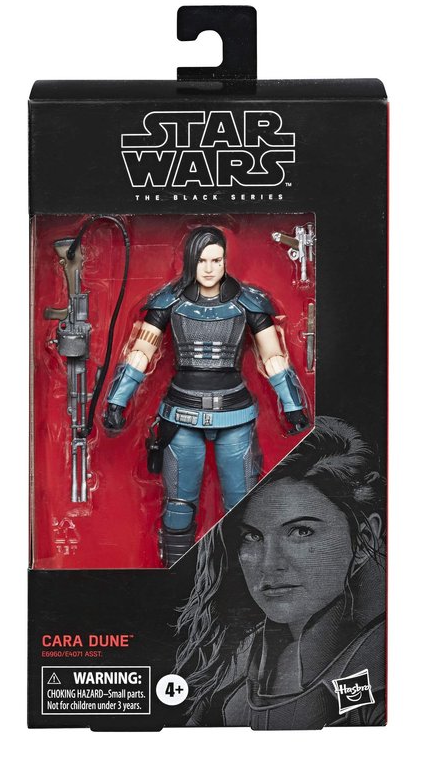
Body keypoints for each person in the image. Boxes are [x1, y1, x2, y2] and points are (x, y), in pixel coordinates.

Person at [103, 227, 309, 566]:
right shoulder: (169, 301)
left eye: (217, 260)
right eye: (202, 261)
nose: (210, 268)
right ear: (190, 261)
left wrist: (293, 405)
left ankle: (238, 580)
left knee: (242, 506)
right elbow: (140, 353)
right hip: (182, 415)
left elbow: (273, 357)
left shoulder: (249, 302)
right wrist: (117, 400)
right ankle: (176, 574)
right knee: (178, 506)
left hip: (235, 415)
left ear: (225, 260)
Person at [174, 417, 386, 728]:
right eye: (252, 536)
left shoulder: (381, 669)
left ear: (365, 538)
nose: (269, 563)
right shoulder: (227, 677)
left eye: (301, 532)